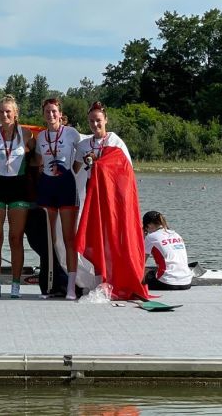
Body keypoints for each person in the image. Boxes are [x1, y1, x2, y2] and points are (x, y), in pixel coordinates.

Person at [74, 102, 148, 300]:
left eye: (98, 120)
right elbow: (75, 170)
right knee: (96, 239)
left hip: (112, 201)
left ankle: (117, 280)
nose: (95, 124)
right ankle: (100, 281)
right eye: (91, 121)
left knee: (113, 240)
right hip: (93, 201)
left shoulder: (115, 142)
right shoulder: (83, 145)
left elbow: (126, 172)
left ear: (105, 120)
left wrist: (100, 166)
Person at [0, 95, 35, 299]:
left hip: (18, 187)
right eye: (1, 111)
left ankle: (15, 285)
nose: (4, 115)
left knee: (15, 238)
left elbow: (36, 160)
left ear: (15, 114)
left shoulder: (27, 135)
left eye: (8, 112)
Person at [35, 98, 81, 299]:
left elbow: (80, 159)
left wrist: (70, 171)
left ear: (60, 114)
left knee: (70, 238)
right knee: (50, 239)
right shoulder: (41, 136)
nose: (51, 115)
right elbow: (38, 162)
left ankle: (71, 286)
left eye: (54, 111)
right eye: (47, 111)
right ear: (43, 114)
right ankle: (52, 285)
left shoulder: (72, 133)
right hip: (47, 186)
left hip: (66, 186)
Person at [143, 211, 192, 290]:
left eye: (145, 228)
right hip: (187, 282)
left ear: (149, 225)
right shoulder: (176, 234)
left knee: (143, 272)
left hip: (166, 283)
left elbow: (140, 262)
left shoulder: (151, 237)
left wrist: (143, 238)